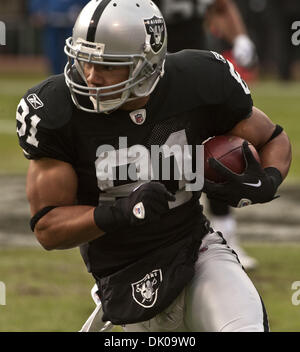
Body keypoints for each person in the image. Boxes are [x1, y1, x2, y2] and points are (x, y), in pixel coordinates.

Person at [16, 0, 291, 332]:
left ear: (147, 63)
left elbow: (273, 137)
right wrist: (121, 213)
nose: (91, 77)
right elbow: (48, 227)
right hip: (121, 272)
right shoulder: (57, 111)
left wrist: (269, 180)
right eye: (84, 60)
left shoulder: (197, 80)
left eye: (107, 65)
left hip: (194, 250)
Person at [156, 0, 259, 270]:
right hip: (152, 72)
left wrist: (240, 37)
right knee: (160, 153)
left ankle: (227, 237)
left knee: (215, 150)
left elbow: (222, 6)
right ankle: (157, 243)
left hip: (198, 69)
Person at [28, 0, 89, 74]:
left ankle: (75, 77)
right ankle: (55, 78)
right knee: (53, 56)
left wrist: (84, 11)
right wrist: (37, 11)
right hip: (51, 25)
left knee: (74, 54)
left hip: (73, 25)